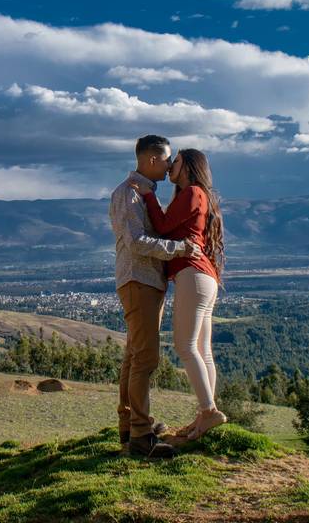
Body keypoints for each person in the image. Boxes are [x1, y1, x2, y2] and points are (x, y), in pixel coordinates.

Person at [109, 134, 201, 458]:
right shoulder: (128, 194)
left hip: (144, 281)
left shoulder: (138, 193)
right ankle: (141, 436)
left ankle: (131, 424)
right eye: (166, 160)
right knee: (145, 358)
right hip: (140, 280)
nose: (168, 165)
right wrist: (181, 248)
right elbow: (137, 241)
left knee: (135, 355)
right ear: (151, 160)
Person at [130, 148, 227, 440]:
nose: (171, 164)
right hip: (203, 277)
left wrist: (146, 194)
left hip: (192, 274)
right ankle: (204, 417)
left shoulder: (192, 193)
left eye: (177, 160)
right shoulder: (199, 194)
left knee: (185, 346)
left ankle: (209, 411)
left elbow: (160, 226)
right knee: (202, 349)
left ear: (189, 166)